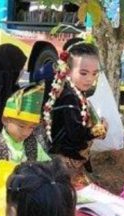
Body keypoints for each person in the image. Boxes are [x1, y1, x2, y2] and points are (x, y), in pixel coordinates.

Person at [42, 37, 108, 187]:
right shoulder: (70, 97)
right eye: (84, 73)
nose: (90, 79)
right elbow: (76, 135)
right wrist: (97, 131)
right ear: (68, 70)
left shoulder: (73, 91)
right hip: (64, 160)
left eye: (94, 73)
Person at [0, 85, 52, 163]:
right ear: (5, 120)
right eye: (21, 126)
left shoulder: (33, 145)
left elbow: (47, 167)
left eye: (31, 127)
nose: (26, 133)